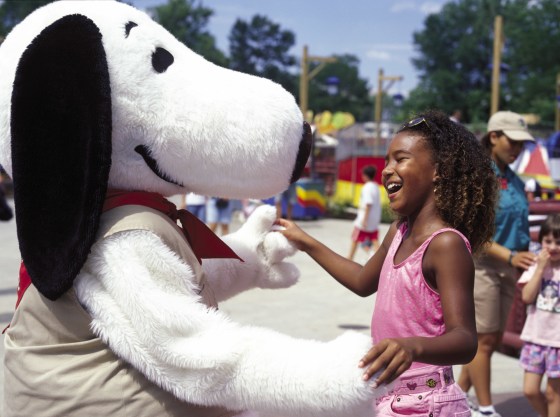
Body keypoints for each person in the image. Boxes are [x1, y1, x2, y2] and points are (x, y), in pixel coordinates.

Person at [277, 110, 498, 416]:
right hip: (387, 396)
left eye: (400, 159)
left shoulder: (445, 245)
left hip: (428, 402)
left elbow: (464, 339)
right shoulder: (398, 231)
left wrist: (413, 346)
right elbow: (362, 281)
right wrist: (306, 242)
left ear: (438, 170)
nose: (387, 170)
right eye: (386, 161)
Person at [458, 110, 537, 417]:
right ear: (494, 137)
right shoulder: (478, 176)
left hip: (509, 267)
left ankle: (456, 398)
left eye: (522, 143)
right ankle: (487, 408)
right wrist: (511, 256)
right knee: (484, 341)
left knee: (489, 339)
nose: (517, 148)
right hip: (482, 265)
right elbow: (468, 230)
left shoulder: (514, 180)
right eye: (512, 141)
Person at [517, 214, 560, 417]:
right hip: (535, 337)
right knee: (530, 390)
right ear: (541, 240)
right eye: (548, 241)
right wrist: (541, 268)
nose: (552, 247)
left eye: (558, 243)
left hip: (557, 342)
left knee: (553, 394)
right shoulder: (536, 266)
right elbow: (527, 296)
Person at [348, 165, 381, 260]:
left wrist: (364, 220)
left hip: (365, 219)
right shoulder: (375, 186)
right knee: (374, 239)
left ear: (366, 176)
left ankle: (350, 257)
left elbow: (368, 203)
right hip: (374, 219)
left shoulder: (367, 187)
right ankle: (379, 259)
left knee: (355, 238)